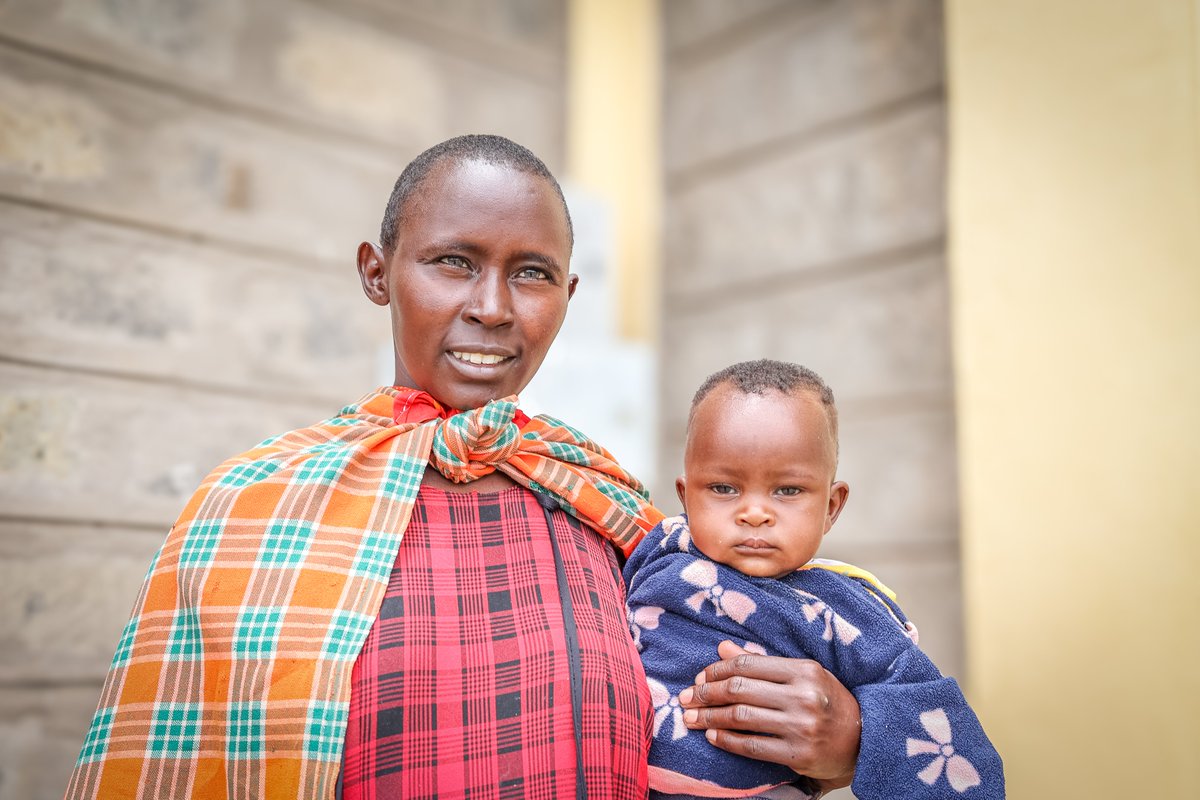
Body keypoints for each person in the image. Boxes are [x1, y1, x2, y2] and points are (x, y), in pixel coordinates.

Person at [65, 137, 864, 800]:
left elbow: (723, 707)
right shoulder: (253, 510)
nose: (493, 306)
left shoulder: (608, 504)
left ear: (566, 295)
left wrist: (840, 746)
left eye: (532, 272)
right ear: (378, 272)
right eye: (453, 261)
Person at [624, 359, 1005, 799]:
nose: (754, 512)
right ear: (685, 497)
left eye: (787, 490)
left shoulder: (840, 609)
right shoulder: (657, 552)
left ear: (831, 506)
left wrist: (860, 732)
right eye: (724, 488)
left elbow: (945, 737)